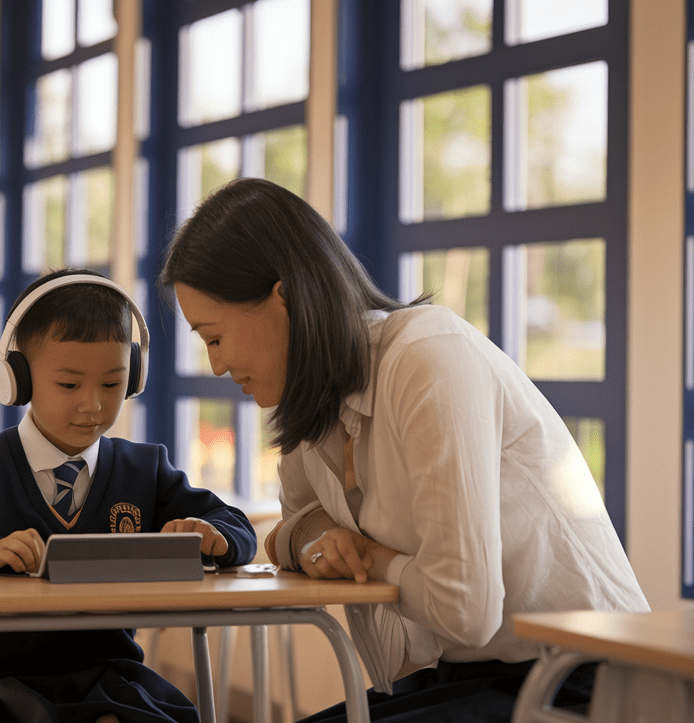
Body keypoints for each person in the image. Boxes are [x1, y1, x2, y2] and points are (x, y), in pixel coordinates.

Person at [159, 178, 649, 723]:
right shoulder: (313, 409)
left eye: (214, 337)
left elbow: (465, 609)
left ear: (285, 299)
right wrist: (320, 536)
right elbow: (289, 532)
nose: (217, 366)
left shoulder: (427, 357)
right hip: (473, 675)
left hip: (583, 682)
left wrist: (365, 556)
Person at [0, 268, 257, 723]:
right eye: (69, 385)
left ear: (134, 376)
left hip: (112, 680)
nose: (92, 404)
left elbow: (237, 528)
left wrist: (214, 536)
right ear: (17, 380)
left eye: (112, 384)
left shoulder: (144, 470)